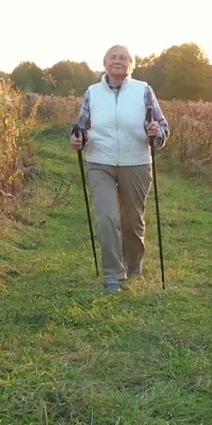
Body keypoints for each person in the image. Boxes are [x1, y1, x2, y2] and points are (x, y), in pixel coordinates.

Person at [71, 44, 170, 293]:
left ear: (130, 64)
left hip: (135, 161)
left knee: (132, 221)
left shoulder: (143, 91)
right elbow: (81, 126)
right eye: (113, 57)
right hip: (99, 160)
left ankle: (133, 266)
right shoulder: (93, 92)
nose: (118, 61)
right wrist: (77, 138)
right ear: (105, 63)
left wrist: (156, 132)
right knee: (107, 217)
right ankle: (113, 276)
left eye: (123, 57)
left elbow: (162, 128)